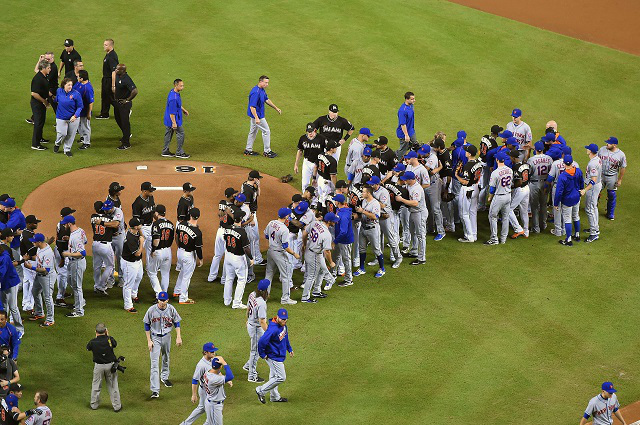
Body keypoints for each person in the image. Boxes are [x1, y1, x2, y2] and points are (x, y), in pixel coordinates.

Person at [144, 291, 183, 398]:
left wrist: (178, 336)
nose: (161, 302)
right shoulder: (151, 310)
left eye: (163, 300)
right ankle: (155, 390)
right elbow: (146, 325)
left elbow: (177, 322)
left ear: (167, 300)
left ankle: (164, 377)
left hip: (167, 336)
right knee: (154, 363)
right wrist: (149, 340)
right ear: (158, 299)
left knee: (166, 357)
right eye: (160, 300)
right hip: (155, 337)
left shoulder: (171, 309)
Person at [255, 308, 293, 404]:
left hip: (279, 354)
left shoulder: (283, 326)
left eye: (285, 319)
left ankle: (274, 397)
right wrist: (263, 355)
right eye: (282, 319)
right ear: (277, 317)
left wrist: (289, 348)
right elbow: (261, 342)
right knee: (281, 377)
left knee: (274, 376)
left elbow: (285, 337)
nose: (284, 321)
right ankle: (261, 390)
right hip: (273, 356)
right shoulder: (272, 329)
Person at [264, 209, 299, 305]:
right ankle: (285, 299)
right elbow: (285, 246)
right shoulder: (284, 229)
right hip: (279, 253)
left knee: (269, 274)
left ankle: (264, 297)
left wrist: (274, 241)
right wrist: (294, 254)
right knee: (286, 275)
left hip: (270, 251)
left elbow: (266, 236)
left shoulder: (271, 223)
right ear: (286, 216)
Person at [300, 213, 337, 303]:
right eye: (334, 221)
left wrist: (304, 244)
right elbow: (327, 251)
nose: (335, 222)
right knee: (311, 276)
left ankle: (316, 291)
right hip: (315, 255)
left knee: (321, 271)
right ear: (329, 221)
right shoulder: (327, 235)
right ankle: (305, 297)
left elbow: (305, 233)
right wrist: (331, 262)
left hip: (310, 249)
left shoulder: (314, 223)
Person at [180, 342, 219, 425]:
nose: (213, 353)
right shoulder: (201, 365)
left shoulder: (213, 360)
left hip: (211, 390)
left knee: (202, 408)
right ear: (205, 352)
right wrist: (194, 395)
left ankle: (185, 424)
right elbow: (195, 380)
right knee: (211, 414)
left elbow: (217, 371)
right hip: (205, 390)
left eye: (214, 351)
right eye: (211, 352)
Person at [86, 323, 122, 411]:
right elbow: (114, 344)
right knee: (113, 386)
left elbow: (88, 348)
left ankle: (94, 405)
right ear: (106, 331)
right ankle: (117, 406)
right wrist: (108, 335)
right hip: (110, 366)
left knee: (96, 385)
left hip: (98, 367)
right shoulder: (110, 339)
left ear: (96, 332)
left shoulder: (93, 342)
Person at [369, 175, 401, 268]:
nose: (370, 186)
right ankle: (378, 257)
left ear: (377, 184)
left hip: (386, 216)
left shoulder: (383, 192)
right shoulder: (372, 191)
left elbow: (382, 206)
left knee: (390, 238)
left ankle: (398, 257)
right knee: (377, 239)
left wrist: (371, 199)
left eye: (372, 184)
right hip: (378, 217)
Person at [24, 233, 57, 327]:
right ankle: (39, 313)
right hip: (39, 275)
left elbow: (46, 270)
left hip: (47, 277)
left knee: (47, 297)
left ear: (39, 242)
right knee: (35, 291)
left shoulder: (48, 253)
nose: (33, 243)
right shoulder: (40, 248)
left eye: (34, 241)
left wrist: (31, 268)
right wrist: (29, 258)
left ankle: (50, 319)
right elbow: (38, 259)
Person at [223, 211, 253, 309]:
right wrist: (251, 258)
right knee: (241, 280)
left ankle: (227, 301)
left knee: (229, 278)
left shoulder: (227, 228)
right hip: (238, 258)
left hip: (228, 256)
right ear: (241, 219)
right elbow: (246, 248)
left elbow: (225, 239)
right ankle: (236, 303)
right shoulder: (242, 232)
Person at [244, 75, 280, 158]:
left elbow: (266, 99)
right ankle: (267, 151)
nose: (267, 84)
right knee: (266, 131)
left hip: (256, 115)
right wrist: (256, 118)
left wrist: (276, 107)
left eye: (268, 83)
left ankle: (248, 150)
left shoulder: (261, 90)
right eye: (266, 82)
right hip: (258, 116)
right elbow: (252, 107)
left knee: (253, 131)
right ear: (260, 82)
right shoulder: (255, 92)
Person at [173, 208, 203, 304]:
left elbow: (176, 237)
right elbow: (198, 248)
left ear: (190, 215)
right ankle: (183, 298)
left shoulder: (181, 224)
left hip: (180, 252)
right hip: (189, 255)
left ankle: (177, 291)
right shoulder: (197, 232)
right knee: (187, 276)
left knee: (182, 272)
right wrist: (201, 259)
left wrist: (179, 247)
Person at [208, 188, 238, 283]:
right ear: (231, 196)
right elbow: (236, 220)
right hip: (228, 233)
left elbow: (219, 214)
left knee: (217, 255)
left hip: (220, 231)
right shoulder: (234, 207)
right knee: (227, 255)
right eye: (233, 194)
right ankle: (224, 279)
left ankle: (211, 277)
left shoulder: (221, 202)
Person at [397, 171, 427, 265]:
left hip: (420, 213)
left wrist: (402, 200)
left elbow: (415, 203)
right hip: (413, 212)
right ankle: (414, 252)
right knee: (413, 232)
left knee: (421, 235)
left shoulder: (417, 188)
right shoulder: (409, 185)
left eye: (406, 179)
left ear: (411, 179)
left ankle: (422, 258)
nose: (404, 181)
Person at [60, 215, 87, 318]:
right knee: (70, 281)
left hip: (77, 262)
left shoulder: (75, 236)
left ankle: (79, 310)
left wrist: (68, 254)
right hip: (74, 262)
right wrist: (69, 239)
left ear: (69, 224)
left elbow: (82, 252)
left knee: (77, 287)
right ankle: (81, 301)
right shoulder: (79, 231)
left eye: (65, 224)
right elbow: (85, 241)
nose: (64, 226)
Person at [554, 155, 584, 246]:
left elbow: (559, 192)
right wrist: (581, 191)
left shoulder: (562, 176)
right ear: (572, 162)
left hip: (567, 200)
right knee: (576, 216)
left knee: (567, 219)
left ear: (564, 163)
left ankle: (568, 240)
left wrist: (556, 203)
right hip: (576, 197)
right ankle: (577, 235)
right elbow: (581, 183)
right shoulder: (578, 171)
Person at [245, 279, 270, 383]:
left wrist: (247, 320)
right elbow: (262, 321)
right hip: (256, 328)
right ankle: (252, 375)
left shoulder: (252, 294)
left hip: (251, 324)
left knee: (261, 348)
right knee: (256, 351)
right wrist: (270, 333)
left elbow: (247, 308)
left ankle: (248, 365)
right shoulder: (261, 303)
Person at [455, 145, 482, 243]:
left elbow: (465, 182)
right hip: (476, 188)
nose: (465, 152)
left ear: (469, 154)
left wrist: (457, 175)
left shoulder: (468, 166)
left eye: (466, 151)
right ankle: (474, 235)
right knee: (473, 212)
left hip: (467, 190)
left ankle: (469, 236)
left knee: (464, 214)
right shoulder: (479, 163)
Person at [485, 153, 513, 245]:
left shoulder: (495, 173)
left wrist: (490, 197)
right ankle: (503, 239)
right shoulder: (510, 170)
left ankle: (494, 239)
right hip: (508, 196)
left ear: (497, 160)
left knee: (492, 216)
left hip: (499, 197)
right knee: (505, 217)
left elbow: (492, 188)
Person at [90, 201, 117, 296]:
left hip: (95, 244)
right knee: (110, 266)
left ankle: (96, 286)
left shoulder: (93, 217)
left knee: (96, 267)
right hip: (105, 245)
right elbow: (115, 227)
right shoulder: (109, 218)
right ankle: (101, 286)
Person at [598, 137, 626, 221]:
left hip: (612, 177)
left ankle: (610, 213)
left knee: (611, 194)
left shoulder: (621, 154)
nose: (607, 144)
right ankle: (593, 207)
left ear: (615, 145)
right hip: (601, 175)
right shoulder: (602, 149)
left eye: (609, 143)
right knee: (596, 191)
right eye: (607, 142)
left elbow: (623, 167)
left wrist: (620, 179)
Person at [527, 141, 553, 234]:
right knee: (543, 205)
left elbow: (528, 173)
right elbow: (551, 172)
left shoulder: (531, 160)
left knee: (534, 206)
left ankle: (536, 228)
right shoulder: (549, 159)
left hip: (534, 184)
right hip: (546, 183)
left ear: (535, 150)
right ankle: (543, 225)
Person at [53, 78, 83, 157]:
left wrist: (75, 115)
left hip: (73, 118)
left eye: (71, 85)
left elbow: (80, 106)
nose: (70, 87)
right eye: (68, 85)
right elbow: (56, 99)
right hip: (61, 117)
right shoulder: (59, 91)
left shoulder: (76, 94)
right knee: (62, 133)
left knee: (71, 134)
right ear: (64, 85)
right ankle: (57, 143)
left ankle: (67, 149)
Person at [294, 123, 327, 191]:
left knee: (316, 184)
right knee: (305, 183)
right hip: (307, 162)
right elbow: (300, 151)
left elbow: (327, 151)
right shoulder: (302, 138)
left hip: (318, 163)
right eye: (308, 131)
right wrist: (296, 164)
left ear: (315, 130)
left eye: (311, 131)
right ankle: (305, 199)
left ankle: (315, 201)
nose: (310, 133)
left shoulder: (321, 138)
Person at [162, 79, 191, 158]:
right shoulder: (173, 98)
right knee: (181, 133)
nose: (183, 87)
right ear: (176, 85)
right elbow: (172, 112)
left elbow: (177, 105)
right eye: (181, 86)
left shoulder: (173, 92)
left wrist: (183, 110)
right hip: (173, 119)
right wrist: (174, 123)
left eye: (183, 85)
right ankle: (179, 152)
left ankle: (165, 151)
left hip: (168, 118)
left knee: (168, 134)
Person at [149, 205, 174, 294]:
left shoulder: (156, 224)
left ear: (157, 213)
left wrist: (153, 250)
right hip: (168, 251)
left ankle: (159, 294)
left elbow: (156, 239)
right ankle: (164, 294)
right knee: (165, 273)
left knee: (152, 273)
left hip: (158, 251)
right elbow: (172, 238)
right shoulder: (171, 224)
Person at [121, 217, 144, 313]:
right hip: (129, 263)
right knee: (128, 284)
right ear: (135, 227)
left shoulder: (136, 231)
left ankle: (133, 295)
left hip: (137, 262)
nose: (141, 225)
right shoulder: (130, 238)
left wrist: (140, 231)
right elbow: (137, 253)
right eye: (140, 224)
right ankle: (128, 305)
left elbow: (140, 235)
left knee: (139, 277)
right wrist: (142, 242)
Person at [241, 171, 264, 268]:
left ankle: (258, 258)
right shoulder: (247, 190)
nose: (258, 180)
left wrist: (259, 186)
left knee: (255, 237)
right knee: (253, 238)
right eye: (258, 178)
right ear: (254, 179)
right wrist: (251, 218)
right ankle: (254, 259)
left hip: (252, 214)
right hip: (250, 215)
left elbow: (258, 195)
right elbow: (246, 205)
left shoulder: (249, 186)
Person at [507, 149, 531, 239]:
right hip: (527, 188)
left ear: (513, 157)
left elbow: (519, 182)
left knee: (508, 209)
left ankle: (518, 229)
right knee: (524, 211)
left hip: (520, 189)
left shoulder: (515, 167)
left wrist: (512, 187)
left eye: (510, 156)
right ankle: (526, 231)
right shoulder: (525, 164)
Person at [113, 64, 138, 150]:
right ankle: (125, 135)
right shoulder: (118, 75)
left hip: (124, 104)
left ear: (122, 71)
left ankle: (126, 143)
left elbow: (135, 91)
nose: (116, 70)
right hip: (118, 103)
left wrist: (127, 100)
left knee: (125, 122)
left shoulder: (126, 79)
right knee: (117, 119)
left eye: (118, 69)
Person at [132, 181, 156, 270]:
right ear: (144, 191)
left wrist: (157, 222)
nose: (152, 192)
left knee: (151, 247)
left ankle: (149, 267)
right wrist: (141, 232)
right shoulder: (137, 203)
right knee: (140, 247)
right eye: (150, 191)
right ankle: (136, 267)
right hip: (143, 227)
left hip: (151, 225)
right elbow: (136, 221)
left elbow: (153, 211)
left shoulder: (151, 198)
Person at [19, 215, 41, 313]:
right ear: (28, 224)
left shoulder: (27, 232)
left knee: (27, 281)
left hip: (24, 258)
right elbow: (32, 251)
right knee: (33, 282)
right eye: (34, 223)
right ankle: (29, 306)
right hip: (29, 260)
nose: (36, 224)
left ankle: (25, 303)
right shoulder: (28, 235)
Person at [581, 144, 602, 242]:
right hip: (597, 185)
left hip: (593, 187)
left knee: (589, 209)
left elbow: (593, 179)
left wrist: (586, 189)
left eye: (588, 149)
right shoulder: (597, 158)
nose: (587, 149)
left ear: (591, 151)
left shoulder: (592, 163)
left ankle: (594, 233)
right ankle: (595, 228)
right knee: (593, 207)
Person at [332, 194, 354, 287]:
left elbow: (343, 232)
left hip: (344, 240)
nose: (334, 202)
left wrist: (335, 241)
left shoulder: (344, 215)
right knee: (336, 256)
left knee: (346, 259)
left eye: (335, 200)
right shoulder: (340, 210)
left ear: (338, 202)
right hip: (339, 239)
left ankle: (349, 279)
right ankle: (332, 274)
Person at [204, 356, 234, 424]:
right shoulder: (215, 379)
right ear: (220, 367)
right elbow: (230, 376)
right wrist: (224, 363)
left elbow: (217, 372)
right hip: (214, 405)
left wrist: (225, 380)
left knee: (209, 423)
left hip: (210, 402)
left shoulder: (208, 372)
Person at [30, 60, 52, 151]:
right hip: (37, 104)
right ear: (43, 68)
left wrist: (51, 96)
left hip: (40, 103)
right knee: (38, 123)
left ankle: (40, 138)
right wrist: (44, 101)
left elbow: (45, 89)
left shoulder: (43, 76)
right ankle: (35, 144)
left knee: (41, 121)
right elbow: (34, 93)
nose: (50, 69)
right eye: (48, 68)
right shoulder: (38, 78)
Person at [96, 39, 119, 119]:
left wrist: (113, 85)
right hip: (106, 79)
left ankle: (124, 109)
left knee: (110, 97)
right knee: (105, 97)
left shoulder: (112, 56)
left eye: (105, 45)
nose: (104, 46)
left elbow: (114, 71)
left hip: (109, 80)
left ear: (110, 46)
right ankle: (104, 113)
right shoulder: (108, 54)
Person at [75, 70, 94, 150]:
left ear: (82, 78)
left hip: (84, 111)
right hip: (78, 110)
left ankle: (87, 142)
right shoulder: (79, 83)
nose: (77, 77)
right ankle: (82, 137)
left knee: (85, 126)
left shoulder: (88, 88)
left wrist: (89, 113)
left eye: (78, 76)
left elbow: (91, 102)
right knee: (79, 125)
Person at [315, 141, 339, 205]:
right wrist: (336, 187)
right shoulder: (332, 161)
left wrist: (314, 178)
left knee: (321, 198)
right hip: (326, 182)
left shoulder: (321, 155)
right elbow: (333, 176)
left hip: (319, 179)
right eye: (335, 147)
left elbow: (315, 166)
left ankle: (318, 213)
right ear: (331, 149)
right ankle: (323, 214)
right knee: (326, 201)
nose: (336, 149)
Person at [395, 92, 416, 158]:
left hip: (411, 131)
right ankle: (397, 160)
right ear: (407, 99)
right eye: (412, 99)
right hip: (403, 133)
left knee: (415, 146)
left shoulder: (411, 105)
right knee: (403, 150)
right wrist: (406, 135)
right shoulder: (402, 111)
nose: (414, 100)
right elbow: (403, 124)